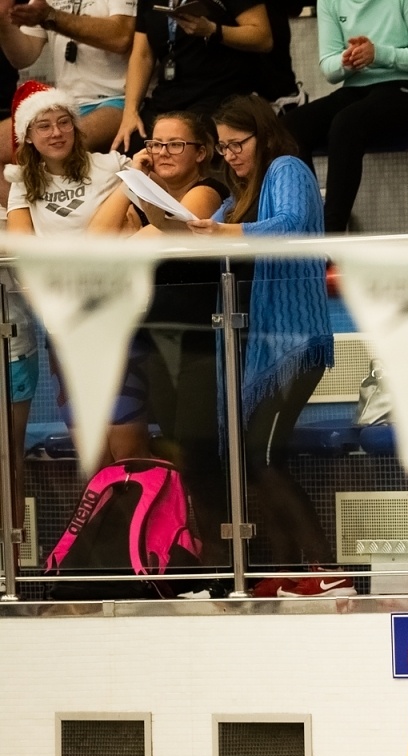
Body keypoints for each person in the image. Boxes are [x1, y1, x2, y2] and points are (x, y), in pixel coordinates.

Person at [185, 94, 349, 596]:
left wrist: (223, 230)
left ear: (262, 133)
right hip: (263, 340)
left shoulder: (286, 167)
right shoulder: (243, 190)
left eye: (238, 144)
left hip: (294, 340)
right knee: (253, 457)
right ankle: (284, 568)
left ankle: (327, 568)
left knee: (263, 455)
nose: (230, 155)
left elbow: (291, 225)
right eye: (224, 147)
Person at [107, 111, 229, 563]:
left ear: (201, 152)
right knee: (178, 446)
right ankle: (196, 551)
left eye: (175, 144)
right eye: (156, 144)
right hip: (155, 336)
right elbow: (99, 240)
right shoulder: (149, 201)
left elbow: (164, 235)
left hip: (202, 337)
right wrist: (129, 183)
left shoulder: (208, 191)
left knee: (200, 450)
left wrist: (139, 202)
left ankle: (226, 559)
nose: (162, 153)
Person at [5, 81, 148, 467]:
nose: (56, 132)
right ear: (28, 138)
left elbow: (130, 230)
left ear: (76, 125)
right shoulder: (21, 187)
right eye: (44, 126)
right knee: (95, 459)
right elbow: (27, 260)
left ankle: (154, 528)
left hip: (115, 320)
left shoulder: (112, 165)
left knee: (129, 455)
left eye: (63, 122)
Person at [284, 0, 408, 233]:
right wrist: (348, 59)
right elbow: (330, 68)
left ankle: (331, 234)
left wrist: (378, 54)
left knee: (347, 122)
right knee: (290, 127)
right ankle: (310, 224)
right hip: (356, 87)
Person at [114, 0, 272, 152]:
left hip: (219, 93)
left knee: (183, 146)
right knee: (128, 147)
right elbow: (142, 55)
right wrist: (130, 111)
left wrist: (212, 29)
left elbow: (263, 37)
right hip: (168, 96)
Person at [0, 0, 136, 161]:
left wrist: (51, 16)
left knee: (53, 145)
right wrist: (3, 20)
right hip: (66, 103)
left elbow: (120, 37)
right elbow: (24, 57)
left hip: (119, 99)